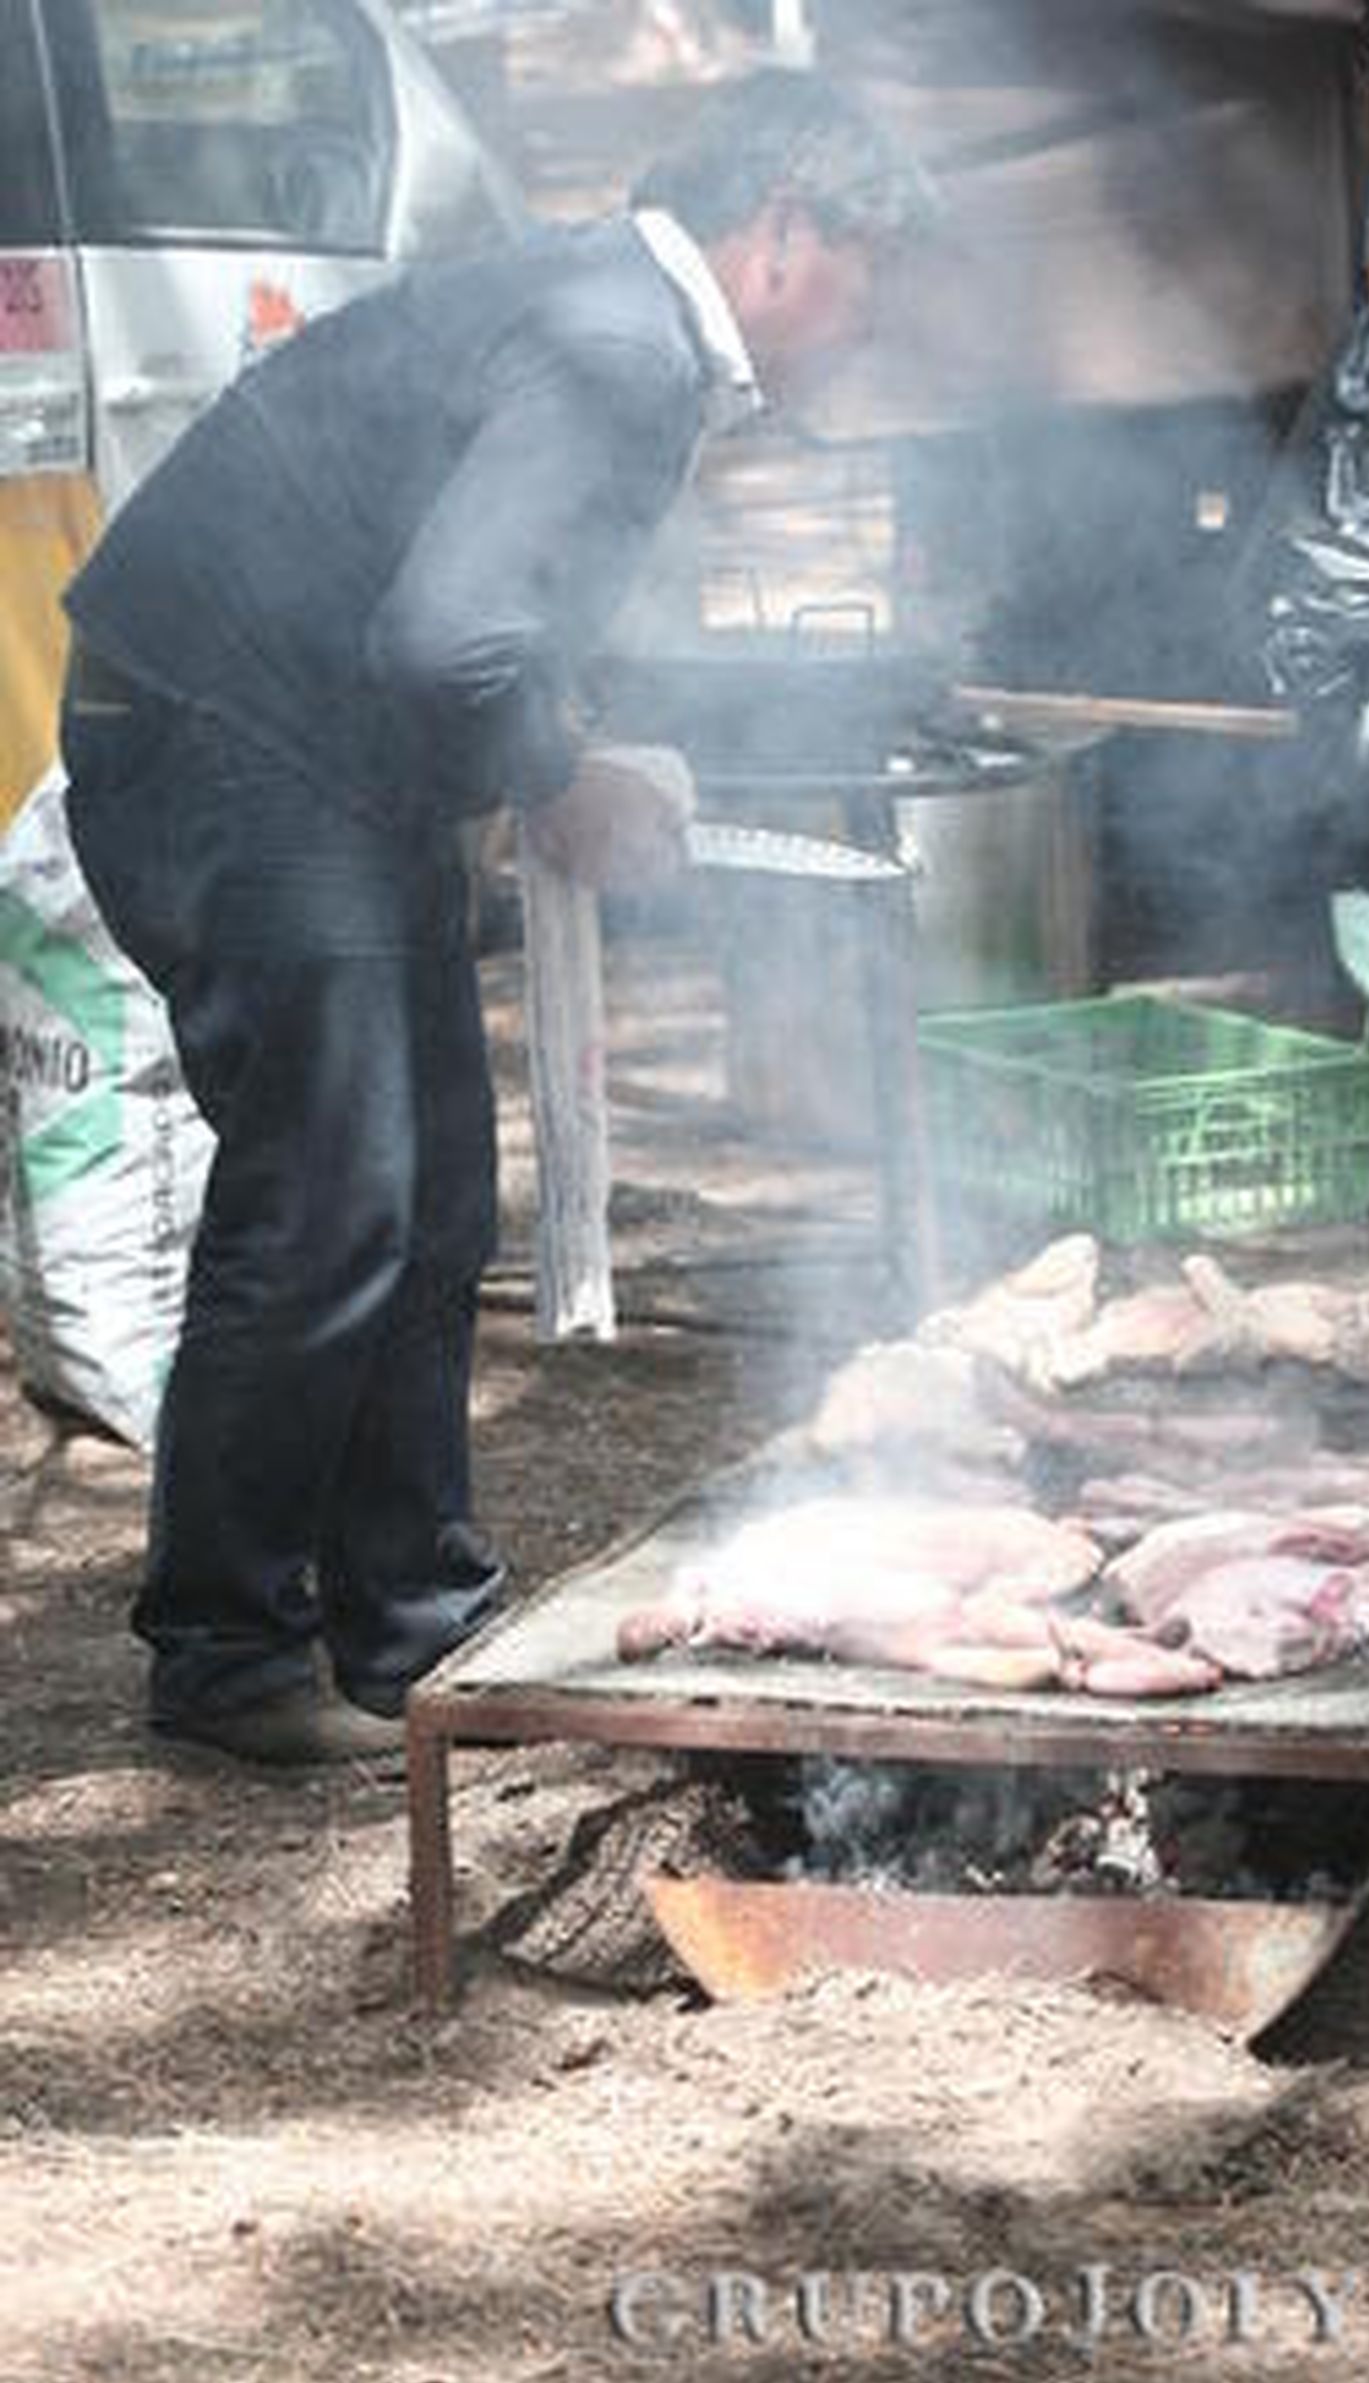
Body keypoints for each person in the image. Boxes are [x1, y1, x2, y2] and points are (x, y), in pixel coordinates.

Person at [61, 69, 935, 1764]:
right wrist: (561, 778)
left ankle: (413, 1615)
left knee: (436, 1186)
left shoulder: (609, 316)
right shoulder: (620, 345)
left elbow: (465, 599)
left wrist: (573, 734)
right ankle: (228, 1653)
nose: (873, 318)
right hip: (224, 742)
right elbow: (450, 638)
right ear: (781, 235)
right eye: (871, 268)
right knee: (333, 1193)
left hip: (319, 755)